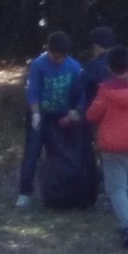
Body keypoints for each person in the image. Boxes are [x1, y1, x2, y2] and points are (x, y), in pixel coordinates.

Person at [85, 45, 128, 250]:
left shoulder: (106, 90)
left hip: (112, 145)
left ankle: (127, 229)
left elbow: (92, 116)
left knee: (116, 188)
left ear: (109, 68)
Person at [16, 31, 83, 209]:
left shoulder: (74, 67)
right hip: (41, 115)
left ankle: (57, 192)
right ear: (49, 51)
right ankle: (24, 192)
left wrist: (75, 112)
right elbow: (33, 91)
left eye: (62, 56)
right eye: (56, 56)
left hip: (61, 117)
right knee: (32, 153)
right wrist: (36, 113)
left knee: (60, 156)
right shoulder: (38, 65)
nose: (59, 60)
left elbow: (82, 91)